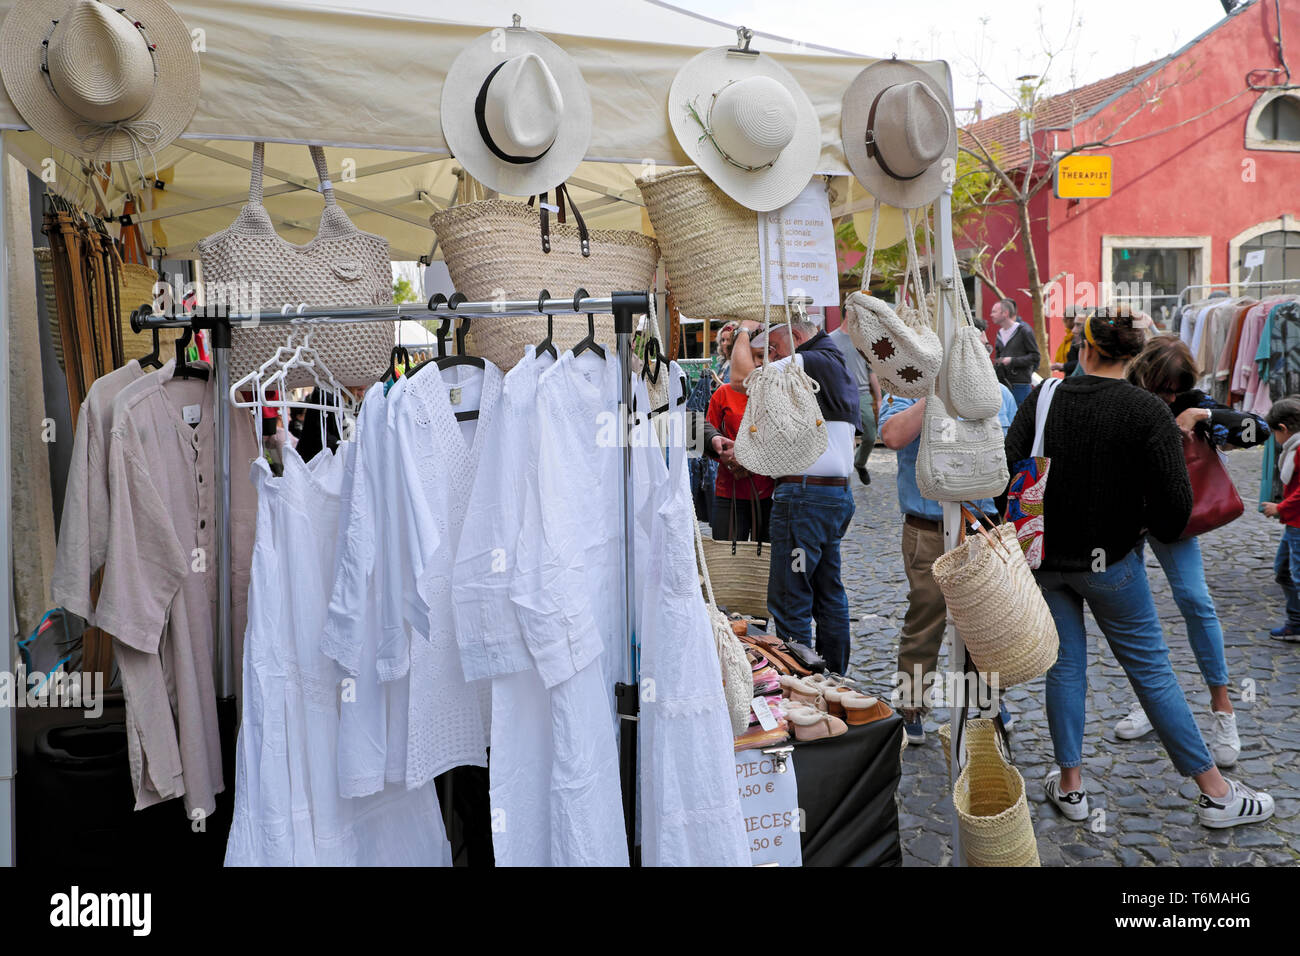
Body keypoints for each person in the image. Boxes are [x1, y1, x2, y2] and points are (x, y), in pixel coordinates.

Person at [1004, 308, 1274, 829]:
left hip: (1044, 559)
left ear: (1084, 348)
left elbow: (1009, 469)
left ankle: (1071, 786)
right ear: (1135, 356)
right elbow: (1175, 513)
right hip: (1112, 564)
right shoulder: (1146, 411)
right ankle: (1216, 795)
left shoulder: (1045, 396)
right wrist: (1129, 517)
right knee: (1151, 670)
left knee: (1065, 668)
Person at [1119, 335, 1270, 766]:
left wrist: (1199, 412)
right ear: (1145, 374)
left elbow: (1256, 428)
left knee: (1195, 600)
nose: (1168, 395)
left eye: (1175, 388)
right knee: (1136, 612)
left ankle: (1223, 708)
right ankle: (1151, 703)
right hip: (1123, 519)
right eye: (1162, 387)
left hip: (1172, 519)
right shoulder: (1125, 395)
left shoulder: (1189, 399)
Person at [879, 382, 1017, 745]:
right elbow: (891, 436)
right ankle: (911, 704)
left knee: (985, 622)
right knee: (925, 618)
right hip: (927, 525)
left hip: (981, 525)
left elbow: (1015, 459)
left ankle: (987, 701)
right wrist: (935, 397)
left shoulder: (998, 393)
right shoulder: (907, 390)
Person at [730, 315, 860, 674]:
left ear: (797, 336)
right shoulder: (836, 364)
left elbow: (740, 379)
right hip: (831, 496)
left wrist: (743, 329)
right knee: (827, 592)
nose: (770, 357)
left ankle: (799, 686)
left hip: (805, 498)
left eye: (773, 348)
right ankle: (834, 678)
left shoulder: (810, 359)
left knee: (791, 598)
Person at [703, 337, 774, 542]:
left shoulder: (777, 393)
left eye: (764, 356)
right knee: (729, 564)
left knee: (766, 565)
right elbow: (708, 436)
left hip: (770, 494)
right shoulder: (724, 393)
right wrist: (725, 456)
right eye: (755, 357)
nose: (759, 363)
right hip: (730, 492)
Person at [1263, 396, 1300, 642]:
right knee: (1284, 571)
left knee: (1296, 575)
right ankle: (1296, 622)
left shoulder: (1298, 451)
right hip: (1293, 524)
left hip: (1297, 524)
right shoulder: (1294, 449)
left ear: (1283, 430)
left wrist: (1280, 507)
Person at [827, 322, 882, 486]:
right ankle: (845, 478)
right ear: (848, 315)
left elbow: (871, 371)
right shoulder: (831, 339)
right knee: (846, 439)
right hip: (841, 394)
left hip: (863, 394)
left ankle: (860, 463)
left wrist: (879, 399)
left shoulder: (863, 340)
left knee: (871, 436)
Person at [991, 298, 1039, 407]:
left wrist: (1012, 361)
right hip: (1003, 384)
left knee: (1021, 416)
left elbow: (1035, 357)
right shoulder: (999, 333)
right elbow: (998, 356)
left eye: (994, 311)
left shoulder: (1024, 330)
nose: (991, 315)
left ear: (1005, 313)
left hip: (1021, 385)